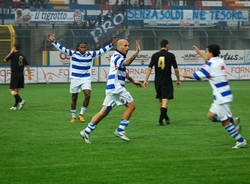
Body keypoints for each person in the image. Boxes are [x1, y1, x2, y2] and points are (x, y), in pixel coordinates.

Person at [180, 44, 247, 149]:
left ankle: (241, 140)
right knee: (211, 116)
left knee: (224, 122)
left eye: (206, 51)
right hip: (224, 95)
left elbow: (196, 76)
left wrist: (184, 75)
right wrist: (200, 53)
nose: (205, 54)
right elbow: (208, 60)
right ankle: (232, 121)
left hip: (221, 98)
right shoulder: (219, 60)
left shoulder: (210, 65)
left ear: (211, 53)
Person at [80, 39, 142, 144]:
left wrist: (133, 81)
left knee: (103, 112)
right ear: (119, 47)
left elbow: (124, 71)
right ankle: (120, 130)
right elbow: (126, 63)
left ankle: (86, 131)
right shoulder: (117, 56)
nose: (128, 47)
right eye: (125, 45)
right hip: (116, 87)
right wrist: (136, 53)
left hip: (112, 88)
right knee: (131, 106)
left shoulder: (120, 57)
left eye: (128, 45)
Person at [48, 34, 118, 123]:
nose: (83, 49)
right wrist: (53, 41)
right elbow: (62, 49)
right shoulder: (73, 54)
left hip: (86, 78)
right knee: (74, 98)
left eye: (84, 47)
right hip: (75, 78)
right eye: (81, 47)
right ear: (78, 48)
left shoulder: (90, 54)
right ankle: (73, 116)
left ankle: (81, 114)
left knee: (88, 94)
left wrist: (111, 45)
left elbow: (101, 51)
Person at [144, 39, 181, 126]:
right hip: (167, 80)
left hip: (157, 81)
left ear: (160, 46)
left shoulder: (155, 55)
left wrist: (146, 80)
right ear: (167, 45)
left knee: (161, 99)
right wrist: (178, 80)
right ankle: (160, 120)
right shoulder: (171, 55)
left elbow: (149, 68)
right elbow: (176, 69)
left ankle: (166, 117)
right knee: (165, 100)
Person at [3, 43, 32, 110]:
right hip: (21, 75)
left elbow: (5, 60)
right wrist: (29, 74)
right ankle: (15, 106)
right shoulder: (22, 55)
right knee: (17, 91)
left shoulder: (13, 54)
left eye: (13, 47)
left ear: (14, 47)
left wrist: (10, 52)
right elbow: (27, 65)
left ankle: (21, 101)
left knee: (11, 90)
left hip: (15, 74)